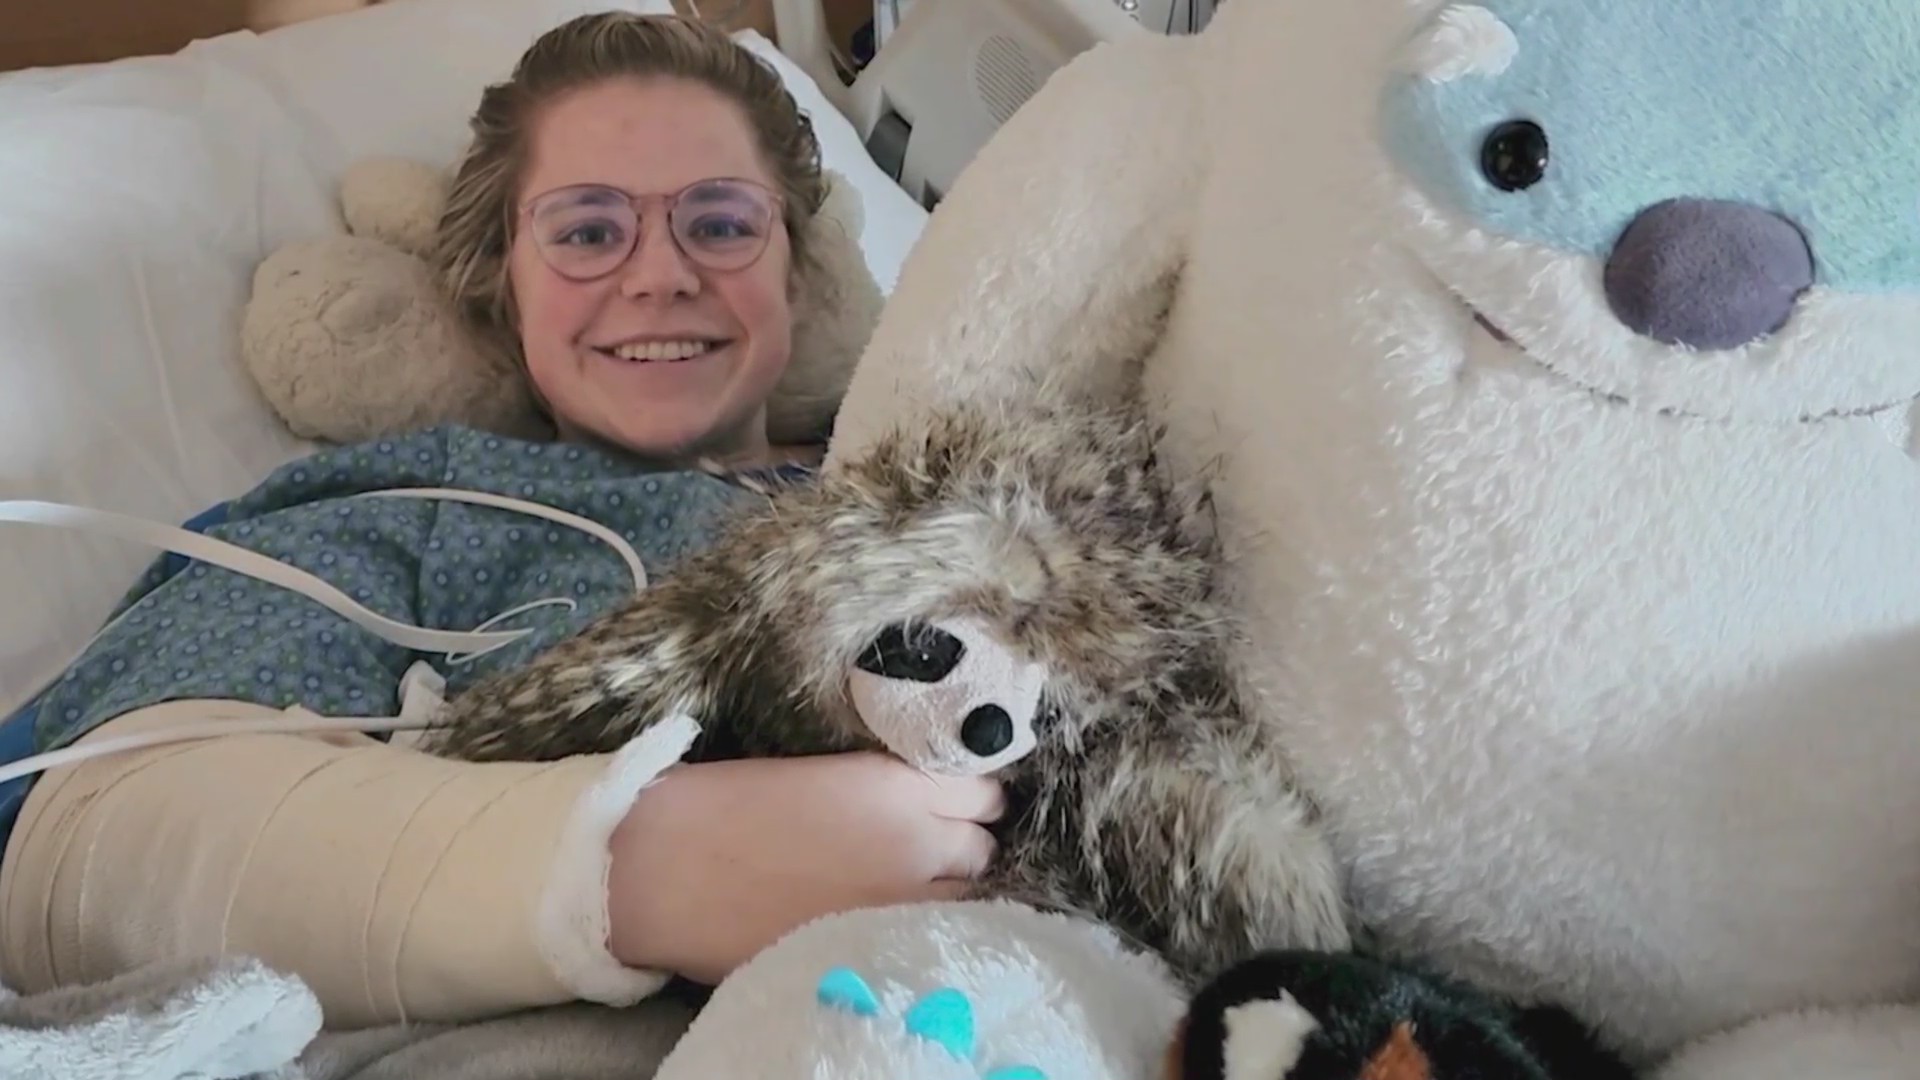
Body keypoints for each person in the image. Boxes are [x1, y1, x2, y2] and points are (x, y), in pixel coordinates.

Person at [0, 12, 1003, 1030]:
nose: (660, 273)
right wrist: (634, 869)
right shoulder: (417, 505)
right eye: (586, 232)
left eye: (721, 222)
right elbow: (85, 854)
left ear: (795, 264)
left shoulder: (969, 475)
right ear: (500, 285)